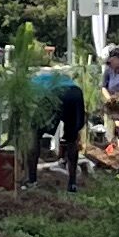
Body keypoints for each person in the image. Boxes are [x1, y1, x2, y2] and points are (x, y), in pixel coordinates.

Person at [27, 52, 87, 189]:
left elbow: (31, 102)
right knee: (72, 139)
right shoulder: (62, 77)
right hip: (76, 93)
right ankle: (72, 183)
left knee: (34, 132)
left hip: (56, 93)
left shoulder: (32, 82)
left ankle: (32, 179)